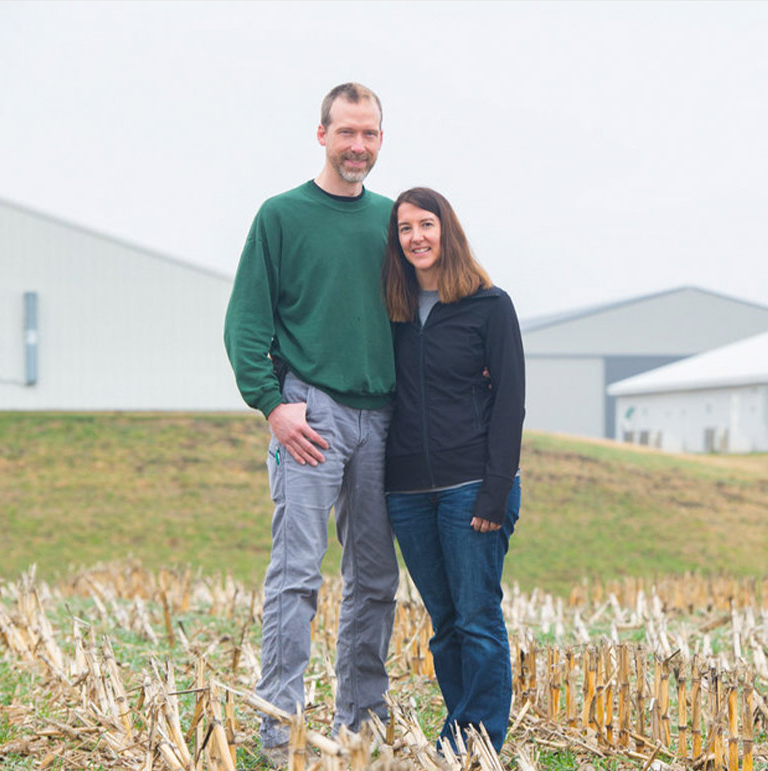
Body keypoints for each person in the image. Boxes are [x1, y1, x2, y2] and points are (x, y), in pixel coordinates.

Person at [223, 83, 399, 766]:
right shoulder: (282, 216)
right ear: (320, 133)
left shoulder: (393, 220)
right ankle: (280, 728)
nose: (359, 145)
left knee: (376, 578)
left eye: (371, 134)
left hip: (383, 417)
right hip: (311, 413)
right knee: (297, 573)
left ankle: (361, 721)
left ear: (381, 140)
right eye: (347, 132)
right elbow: (246, 322)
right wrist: (274, 403)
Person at [381, 187, 526, 754]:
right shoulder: (390, 313)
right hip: (408, 492)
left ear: (448, 231)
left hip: (472, 486)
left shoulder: (489, 304)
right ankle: (466, 735)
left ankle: (473, 740)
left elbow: (510, 402)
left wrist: (494, 493)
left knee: (477, 619)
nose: (416, 237)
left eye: (426, 224)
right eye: (404, 228)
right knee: (444, 624)